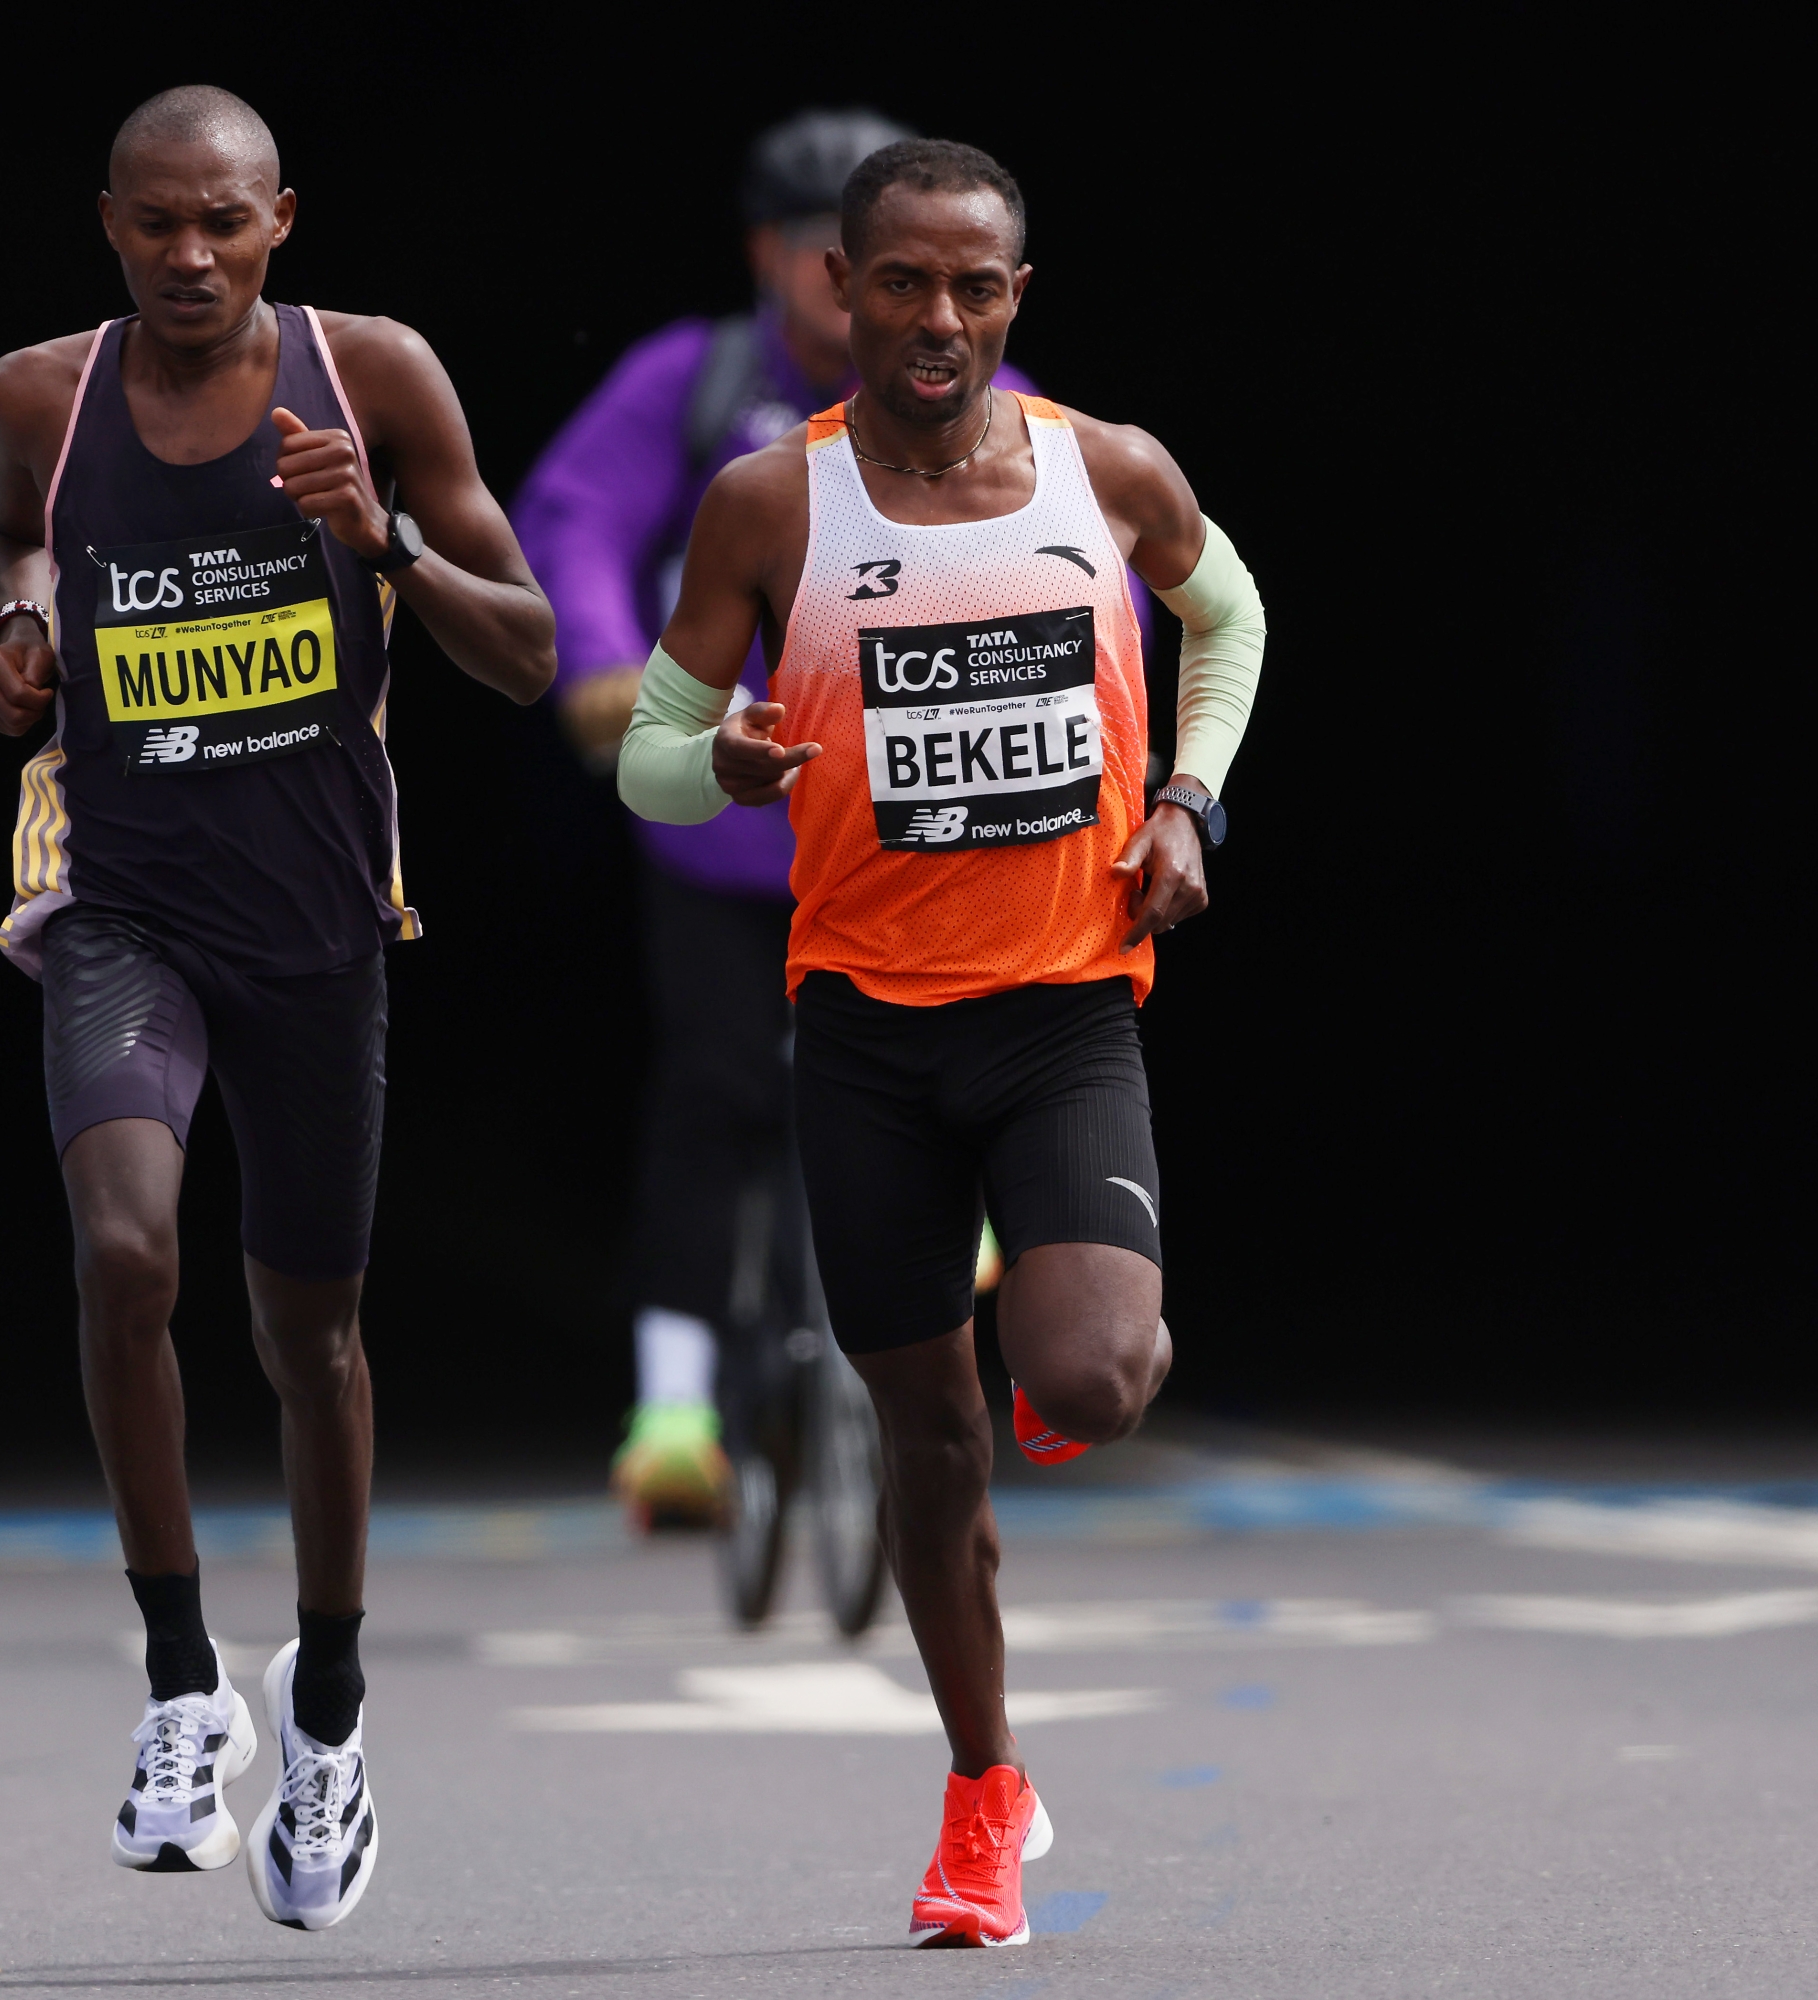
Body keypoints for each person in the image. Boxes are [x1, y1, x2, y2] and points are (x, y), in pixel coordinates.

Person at [616, 139, 1267, 1947]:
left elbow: (1233, 618)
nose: (936, 317)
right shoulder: (767, 506)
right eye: (900, 280)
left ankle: (1063, 1336)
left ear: (1016, 300)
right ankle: (984, 1794)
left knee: (1087, 1383)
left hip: (1063, 1016)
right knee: (928, 1442)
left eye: (974, 285)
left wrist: (1192, 804)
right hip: (867, 1041)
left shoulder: (1103, 468)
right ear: (839, 285)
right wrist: (714, 762)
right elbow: (648, 759)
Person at [0, 85, 555, 1930]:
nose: (192, 256)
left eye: (223, 221)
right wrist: (17, 638)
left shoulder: (370, 373)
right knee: (124, 1253)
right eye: (156, 225)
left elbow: (528, 654)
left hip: (316, 924)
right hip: (122, 904)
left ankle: (331, 1715)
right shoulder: (37, 399)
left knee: (312, 1340)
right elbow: (7, 546)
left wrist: (379, 539)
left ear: (279, 216)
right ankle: (174, 1685)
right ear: (111, 224)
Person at [512, 109, 1146, 1528]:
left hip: (932, 844)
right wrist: (610, 675)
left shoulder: (1004, 409)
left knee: (970, 1057)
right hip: (732, 826)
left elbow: (1092, 604)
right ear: (794, 260)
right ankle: (673, 1411)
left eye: (957, 283)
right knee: (718, 1091)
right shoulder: (694, 384)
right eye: (858, 268)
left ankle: (997, 1222)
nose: (921, 310)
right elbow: (574, 521)